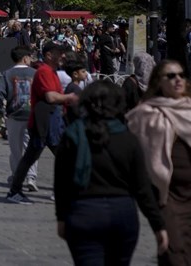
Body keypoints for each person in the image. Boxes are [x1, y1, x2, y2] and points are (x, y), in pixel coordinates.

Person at [54, 81, 168, 264]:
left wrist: (61, 217)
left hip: (84, 212)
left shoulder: (72, 135)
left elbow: (61, 182)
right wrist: (158, 225)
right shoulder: (128, 138)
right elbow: (142, 188)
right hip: (122, 214)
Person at [127, 60, 191, 266]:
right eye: (171, 76)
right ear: (158, 82)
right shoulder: (146, 114)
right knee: (173, 252)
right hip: (167, 195)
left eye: (180, 75)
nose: (178, 79)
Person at [7, 42, 80, 204]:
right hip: (44, 123)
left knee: (32, 158)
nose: (62, 56)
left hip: (50, 122)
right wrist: (71, 98)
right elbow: (50, 97)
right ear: (48, 55)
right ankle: (16, 191)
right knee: (61, 157)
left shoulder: (51, 72)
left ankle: (15, 190)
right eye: (59, 53)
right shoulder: (44, 72)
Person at [0, 46, 39, 193]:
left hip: (13, 115)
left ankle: (16, 175)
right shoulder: (35, 73)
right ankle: (31, 177)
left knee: (15, 149)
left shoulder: (8, 74)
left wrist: (0, 109)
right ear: (25, 58)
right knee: (30, 148)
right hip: (32, 115)